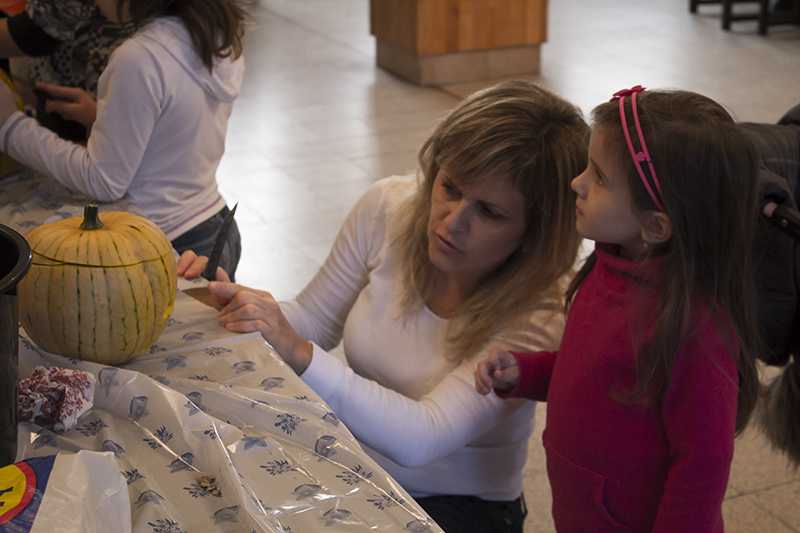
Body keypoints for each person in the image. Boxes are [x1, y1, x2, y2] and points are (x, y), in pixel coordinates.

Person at [178, 80, 590, 533]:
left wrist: (297, 350)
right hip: (358, 469)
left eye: (489, 212)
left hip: (460, 509)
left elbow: (422, 436)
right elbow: (314, 321)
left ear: (536, 233)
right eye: (449, 186)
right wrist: (235, 302)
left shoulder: (543, 311)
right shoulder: (389, 207)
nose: (453, 221)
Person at [475, 86, 761, 533]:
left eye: (600, 177)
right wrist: (525, 372)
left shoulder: (694, 327)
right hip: (583, 511)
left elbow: (703, 465)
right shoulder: (607, 268)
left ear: (656, 225)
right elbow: (594, 374)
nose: (577, 182)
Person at [0, 0, 247, 278]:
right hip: (216, 226)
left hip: (171, 244)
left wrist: (10, 125)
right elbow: (180, 126)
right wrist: (105, 118)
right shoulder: (214, 35)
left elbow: (104, 181)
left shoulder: (139, 57)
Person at [0, 0, 137, 140]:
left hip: (84, 118)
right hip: (88, 114)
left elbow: (32, 33)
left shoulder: (134, 61)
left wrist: (14, 127)